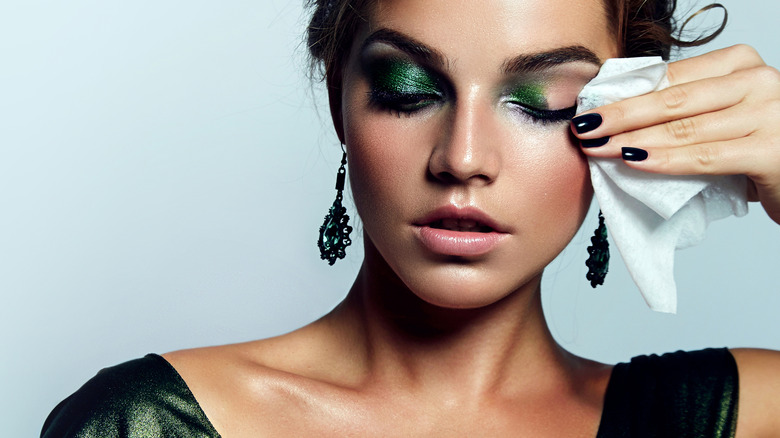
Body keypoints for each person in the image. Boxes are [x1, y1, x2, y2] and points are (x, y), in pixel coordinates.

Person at [41, 0, 780, 436]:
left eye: (542, 102)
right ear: (340, 102)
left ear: (629, 113)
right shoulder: (144, 424)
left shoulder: (732, 417)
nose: (462, 158)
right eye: (405, 88)